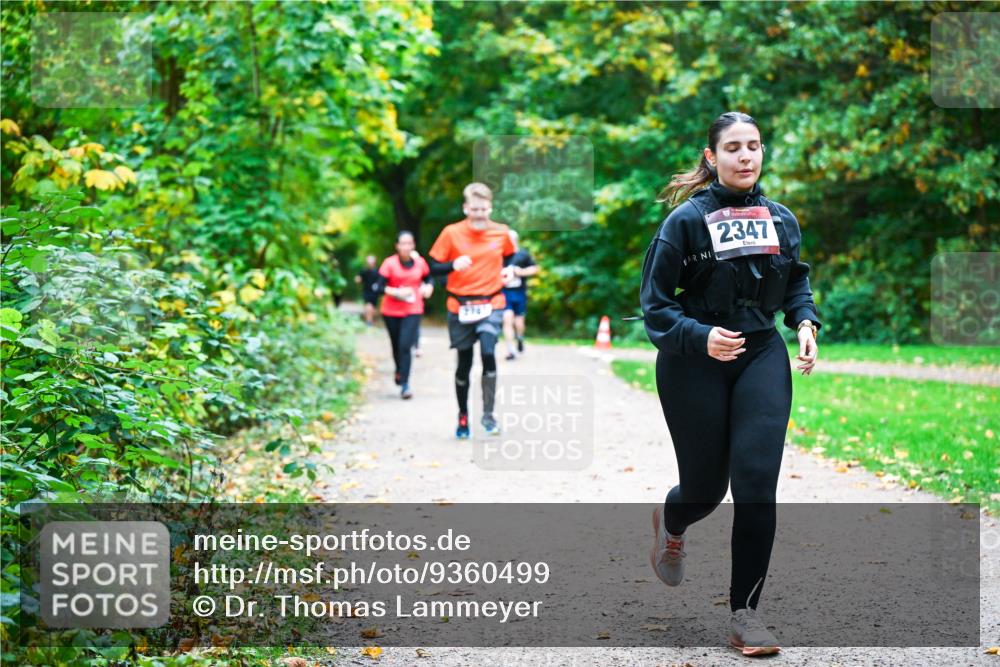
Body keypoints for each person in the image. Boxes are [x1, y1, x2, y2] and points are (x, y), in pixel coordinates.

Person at [639, 111, 820, 657]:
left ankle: (746, 615)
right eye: (734, 148)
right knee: (705, 491)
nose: (747, 157)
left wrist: (805, 321)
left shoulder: (781, 218)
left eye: (755, 146)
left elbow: (795, 279)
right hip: (693, 363)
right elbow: (655, 308)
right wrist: (700, 337)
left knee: (757, 484)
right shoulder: (685, 223)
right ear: (711, 157)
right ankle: (672, 520)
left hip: (762, 353)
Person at [428, 182, 516, 439]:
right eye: (474, 209)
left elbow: (511, 256)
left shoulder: (501, 232)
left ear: (490, 207)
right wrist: (452, 264)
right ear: (465, 208)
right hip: (460, 305)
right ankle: (462, 415)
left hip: (491, 303)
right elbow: (432, 266)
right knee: (464, 363)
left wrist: (509, 268)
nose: (479, 214)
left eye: (483, 209)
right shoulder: (451, 233)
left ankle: (488, 415)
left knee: (488, 353)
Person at [374, 232, 432, 399]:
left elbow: (429, 279)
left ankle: (405, 384)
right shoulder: (389, 264)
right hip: (391, 311)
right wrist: (396, 292)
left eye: (409, 243)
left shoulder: (420, 263)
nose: (406, 247)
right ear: (397, 246)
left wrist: (428, 288)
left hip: (413, 309)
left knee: (405, 346)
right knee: (396, 345)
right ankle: (399, 371)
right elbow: (378, 287)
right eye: (402, 243)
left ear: (413, 245)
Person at [501, 230, 539, 361]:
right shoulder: (500, 255)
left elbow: (535, 268)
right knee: (507, 319)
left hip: (519, 292)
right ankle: (511, 350)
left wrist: (521, 272)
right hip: (504, 292)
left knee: (519, 322)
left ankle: (520, 338)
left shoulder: (523, 254)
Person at [356, 255, 380, 326]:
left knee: (372, 306)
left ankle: (370, 319)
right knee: (369, 305)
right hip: (367, 291)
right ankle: (369, 321)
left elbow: (381, 280)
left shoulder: (378, 270)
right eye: (369, 260)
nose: (370, 262)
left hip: (375, 292)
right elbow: (358, 279)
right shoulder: (364, 270)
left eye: (371, 260)